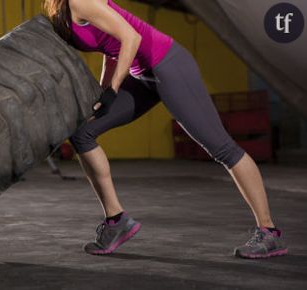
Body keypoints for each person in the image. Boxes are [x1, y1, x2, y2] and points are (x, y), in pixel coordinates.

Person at [43, 0, 288, 259]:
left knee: (223, 149)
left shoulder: (81, 1)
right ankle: (117, 221)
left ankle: (269, 232)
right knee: (83, 133)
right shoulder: (57, 6)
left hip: (168, 65)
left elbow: (130, 37)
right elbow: (109, 44)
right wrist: (103, 89)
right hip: (143, 76)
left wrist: (114, 88)